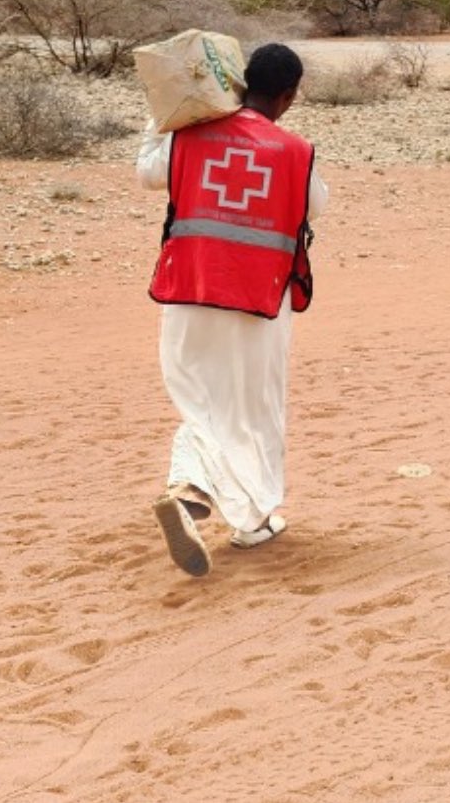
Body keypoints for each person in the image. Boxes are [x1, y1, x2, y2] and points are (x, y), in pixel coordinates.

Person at [138, 43, 328, 578]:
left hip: (187, 290)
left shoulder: (187, 138)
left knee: (201, 401)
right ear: (289, 96)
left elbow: (147, 174)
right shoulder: (295, 151)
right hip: (258, 302)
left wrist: (167, 116)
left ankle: (190, 488)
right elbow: (316, 206)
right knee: (256, 409)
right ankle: (252, 521)